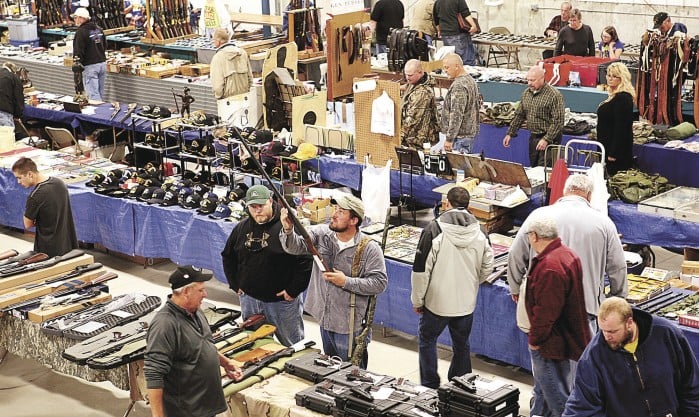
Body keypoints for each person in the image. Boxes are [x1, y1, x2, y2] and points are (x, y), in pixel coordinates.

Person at [279, 194, 388, 369]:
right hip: (324, 318)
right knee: (330, 371)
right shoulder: (322, 234)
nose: (334, 214)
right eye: (335, 209)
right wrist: (287, 229)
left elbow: (379, 282)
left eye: (341, 211)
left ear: (354, 220)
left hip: (349, 325)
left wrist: (346, 281)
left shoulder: (369, 248)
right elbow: (294, 246)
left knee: (351, 376)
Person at [508, 174, 627, 332]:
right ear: (589, 195)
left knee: (541, 352)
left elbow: (515, 254)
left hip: (542, 304)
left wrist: (515, 287)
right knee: (581, 355)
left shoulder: (538, 216)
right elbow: (617, 266)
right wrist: (616, 298)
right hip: (584, 308)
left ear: (564, 192)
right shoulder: (604, 223)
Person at [411, 186, 493, 388]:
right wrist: (474, 281)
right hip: (466, 303)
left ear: (447, 204)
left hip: (436, 303)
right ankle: (461, 384)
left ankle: (430, 384)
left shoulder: (434, 229)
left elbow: (421, 269)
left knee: (427, 340)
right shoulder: (481, 231)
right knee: (462, 345)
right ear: (468, 205)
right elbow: (488, 265)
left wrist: (418, 299)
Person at [563, 296, 699, 417]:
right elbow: (582, 404)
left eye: (612, 331)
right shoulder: (594, 355)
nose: (606, 337)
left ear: (629, 323)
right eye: (603, 330)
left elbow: (691, 384)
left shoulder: (667, 334)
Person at [221, 185, 312, 346]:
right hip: (249, 300)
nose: (257, 211)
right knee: (254, 345)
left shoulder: (288, 227)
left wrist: (293, 290)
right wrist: (235, 284)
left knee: (293, 346)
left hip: (281, 303)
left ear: (270, 201)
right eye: (252, 207)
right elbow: (228, 256)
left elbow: (305, 260)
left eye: (261, 206)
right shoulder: (241, 228)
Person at [145, 265, 242, 417]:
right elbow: (154, 374)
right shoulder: (165, 325)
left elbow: (203, 346)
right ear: (186, 292)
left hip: (204, 406)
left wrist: (225, 362)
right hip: (185, 411)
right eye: (201, 290)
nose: (205, 294)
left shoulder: (195, 311)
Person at [524, 214, 591, 417]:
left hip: (551, 343)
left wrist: (535, 340)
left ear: (534, 236)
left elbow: (546, 311)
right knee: (546, 392)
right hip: (564, 338)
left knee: (557, 395)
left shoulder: (550, 266)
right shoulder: (567, 255)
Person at [12, 157, 78, 258]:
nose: (18, 182)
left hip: (48, 251)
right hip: (68, 245)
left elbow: (27, 224)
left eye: (19, 177)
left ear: (30, 174)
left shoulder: (35, 196)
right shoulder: (59, 183)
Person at [502, 66, 565, 167]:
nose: (529, 83)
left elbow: (558, 121)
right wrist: (510, 133)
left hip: (550, 140)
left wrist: (546, 139)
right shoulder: (526, 93)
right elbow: (520, 115)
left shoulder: (554, 95)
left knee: (543, 171)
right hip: (533, 138)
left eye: (532, 80)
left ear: (542, 78)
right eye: (528, 80)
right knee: (534, 168)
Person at [597, 62, 636, 176]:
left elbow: (622, 128)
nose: (610, 78)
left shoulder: (623, 98)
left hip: (615, 155)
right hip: (606, 149)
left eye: (614, 76)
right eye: (609, 75)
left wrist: (614, 153)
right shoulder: (614, 96)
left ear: (621, 78)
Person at [440, 53, 480, 153]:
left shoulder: (459, 85)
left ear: (457, 66)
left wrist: (449, 139)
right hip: (467, 134)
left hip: (459, 137)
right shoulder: (470, 80)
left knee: (457, 167)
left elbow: (456, 114)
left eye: (447, 67)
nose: (445, 70)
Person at [401, 59, 440, 149]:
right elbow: (408, 87)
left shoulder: (422, 93)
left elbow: (412, 118)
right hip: (414, 136)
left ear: (420, 72)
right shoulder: (415, 83)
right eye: (406, 74)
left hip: (419, 138)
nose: (407, 78)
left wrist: (400, 136)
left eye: (410, 75)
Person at [71, 7, 107, 101]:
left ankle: (97, 115)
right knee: (100, 92)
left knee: (93, 95)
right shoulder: (99, 29)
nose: (75, 20)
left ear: (82, 18)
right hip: (102, 64)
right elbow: (105, 46)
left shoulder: (80, 32)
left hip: (90, 66)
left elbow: (78, 51)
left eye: (76, 17)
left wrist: (78, 65)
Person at [209, 28, 253, 100]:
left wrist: (219, 97)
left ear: (218, 41)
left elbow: (217, 86)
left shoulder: (218, 58)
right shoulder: (242, 53)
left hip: (228, 101)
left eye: (214, 40)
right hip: (245, 98)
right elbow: (250, 78)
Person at [433, 0, 479, 66]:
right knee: (466, 62)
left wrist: (439, 30)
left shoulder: (438, 2)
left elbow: (436, 20)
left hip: (445, 35)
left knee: (452, 62)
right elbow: (465, 13)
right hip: (458, 34)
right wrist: (473, 25)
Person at [0, 62, 23, 127]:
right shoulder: (13, 77)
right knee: (6, 136)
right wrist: (18, 115)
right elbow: (18, 98)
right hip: (4, 113)